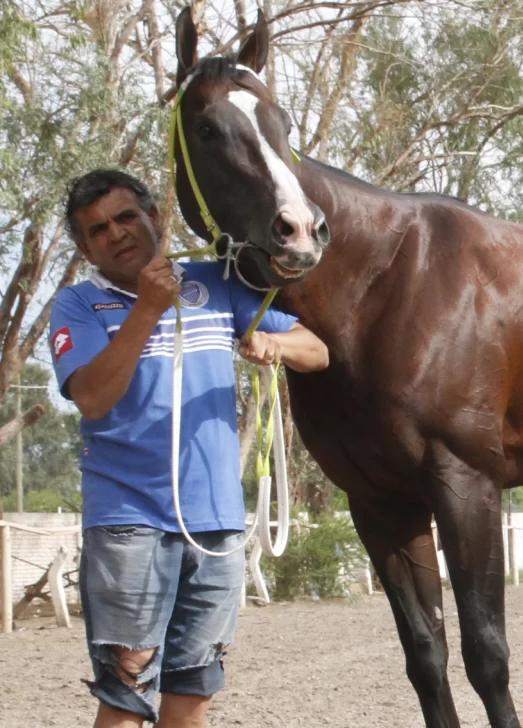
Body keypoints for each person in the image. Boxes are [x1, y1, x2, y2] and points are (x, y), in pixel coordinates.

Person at [48, 169, 329, 728]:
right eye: (99, 229)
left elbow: (316, 349)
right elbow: (93, 398)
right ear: (85, 249)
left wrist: (273, 342)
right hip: (128, 522)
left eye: (127, 217)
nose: (118, 233)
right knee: (126, 691)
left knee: (193, 692)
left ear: (154, 218)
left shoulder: (216, 282)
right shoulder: (76, 306)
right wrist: (148, 308)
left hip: (217, 524)